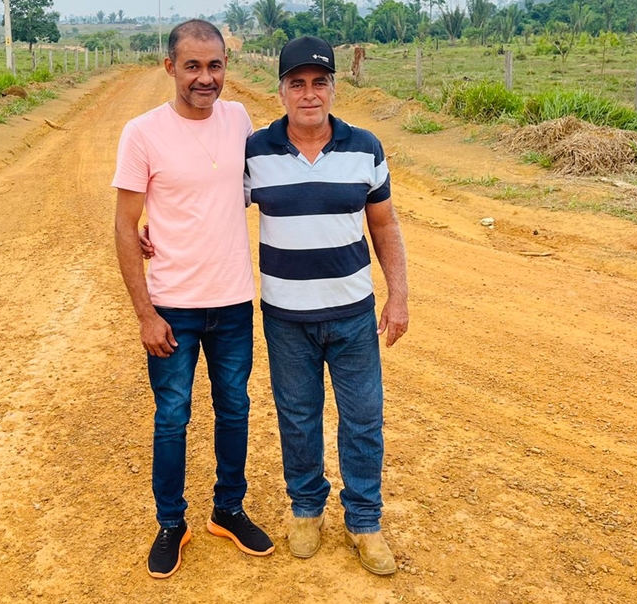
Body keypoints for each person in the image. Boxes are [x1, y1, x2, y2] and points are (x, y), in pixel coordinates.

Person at [112, 19, 274, 580]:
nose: (205, 78)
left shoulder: (238, 120)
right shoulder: (142, 132)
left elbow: (246, 193)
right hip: (173, 305)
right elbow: (124, 223)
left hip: (232, 300)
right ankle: (170, 523)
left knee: (235, 408)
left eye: (215, 66)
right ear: (170, 67)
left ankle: (228, 509)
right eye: (193, 66)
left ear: (226, 66)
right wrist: (145, 313)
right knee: (172, 417)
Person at [243, 36, 409, 575]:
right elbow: (208, 209)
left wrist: (398, 295)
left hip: (352, 312)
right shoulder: (255, 151)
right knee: (298, 416)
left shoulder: (366, 147)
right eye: (297, 83)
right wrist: (158, 234)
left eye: (319, 83)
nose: (309, 94)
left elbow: (384, 224)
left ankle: (364, 522)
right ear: (283, 90)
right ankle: (307, 510)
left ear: (334, 86)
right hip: (285, 315)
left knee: (363, 419)